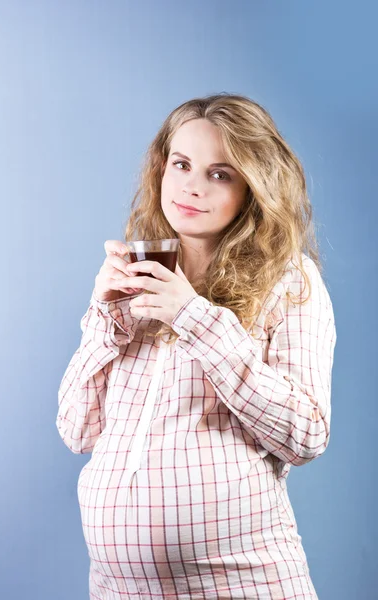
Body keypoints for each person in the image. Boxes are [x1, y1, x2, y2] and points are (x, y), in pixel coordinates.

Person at [56, 93, 336, 600]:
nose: (191, 185)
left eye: (220, 173)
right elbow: (77, 431)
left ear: (253, 188)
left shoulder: (290, 281)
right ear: (162, 169)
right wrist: (105, 319)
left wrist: (193, 316)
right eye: (182, 164)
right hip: (119, 590)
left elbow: (307, 433)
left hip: (240, 584)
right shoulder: (139, 276)